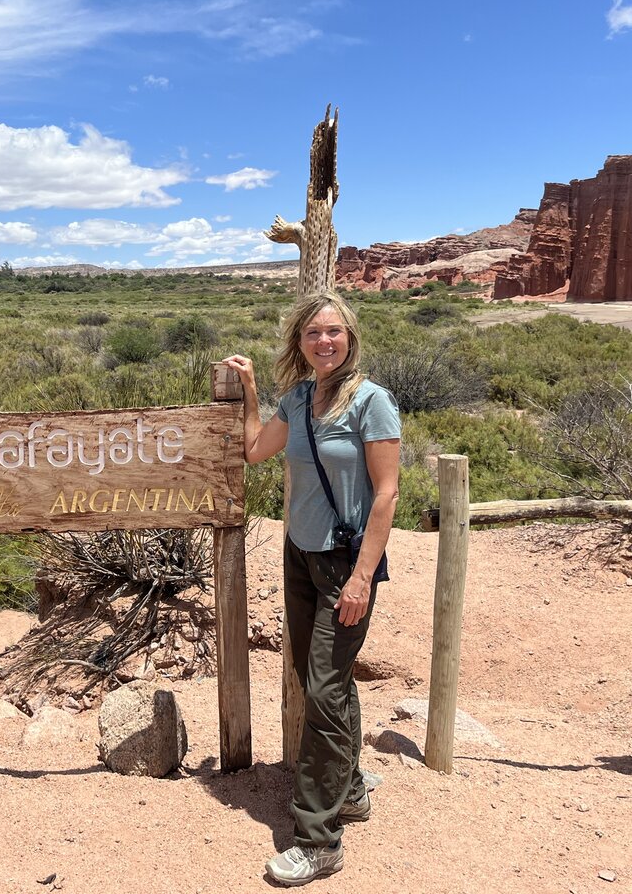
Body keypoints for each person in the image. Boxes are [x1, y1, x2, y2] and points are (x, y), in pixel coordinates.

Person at [223, 290, 400, 886]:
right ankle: (350, 789)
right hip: (300, 556)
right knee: (322, 678)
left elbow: (386, 494)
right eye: (313, 333)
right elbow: (254, 451)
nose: (325, 342)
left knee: (323, 691)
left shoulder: (371, 402)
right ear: (299, 342)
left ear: (350, 337)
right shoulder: (298, 398)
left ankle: (318, 839)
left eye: (334, 332)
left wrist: (361, 579)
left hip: (345, 564)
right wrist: (251, 391)